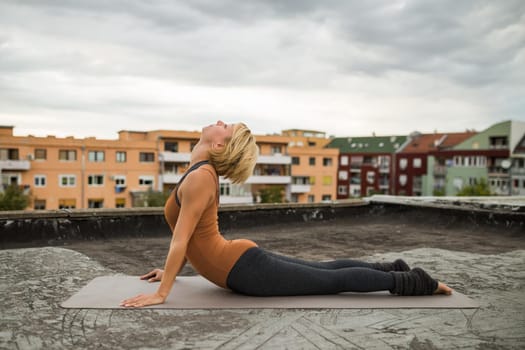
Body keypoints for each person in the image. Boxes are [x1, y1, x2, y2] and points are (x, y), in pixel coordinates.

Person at [121, 121, 452, 307]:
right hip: (239, 263)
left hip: (245, 270)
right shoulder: (197, 173)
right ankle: (393, 268)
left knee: (332, 280)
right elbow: (188, 239)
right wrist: (167, 271)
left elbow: (182, 239)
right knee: (327, 273)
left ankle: (415, 282)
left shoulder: (199, 177)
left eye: (227, 127)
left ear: (219, 146)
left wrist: (161, 293)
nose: (221, 122)